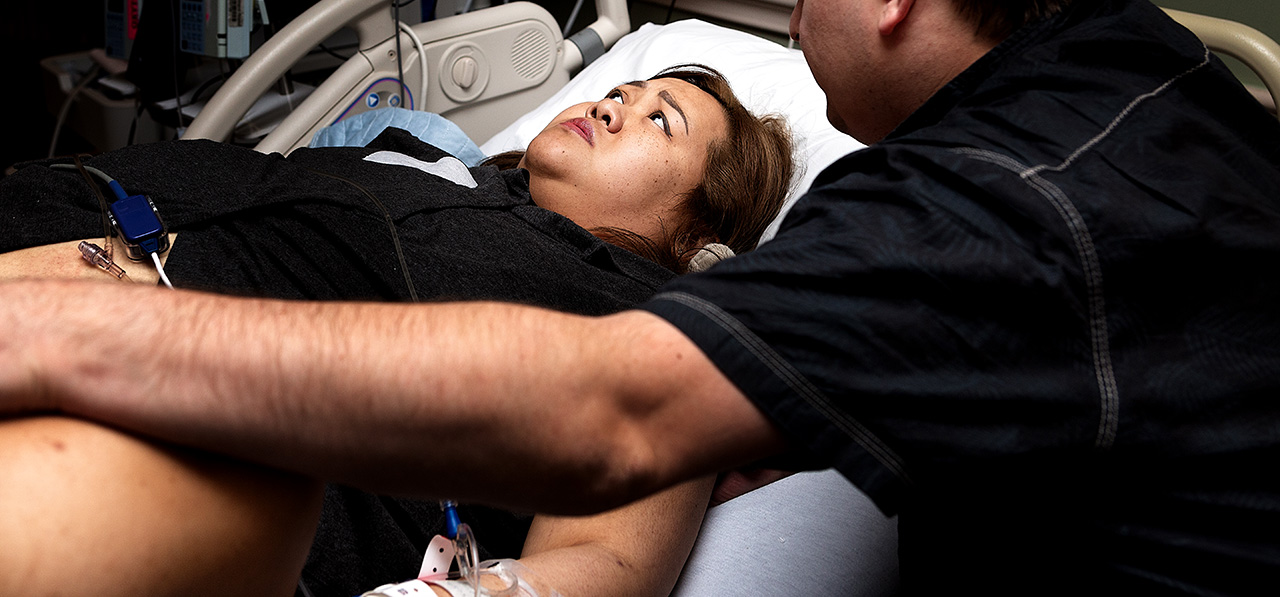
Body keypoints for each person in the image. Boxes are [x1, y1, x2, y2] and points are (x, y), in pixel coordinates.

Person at [3, 0, 1279, 594]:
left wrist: (83, 334)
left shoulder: (983, 207)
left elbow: (616, 418)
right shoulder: (1152, 69)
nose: (790, 26)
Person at [0, 66, 795, 597]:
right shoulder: (425, 161)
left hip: (164, 434)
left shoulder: (649, 323)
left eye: (660, 119)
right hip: (45, 226)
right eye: (620, 91)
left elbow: (609, 561)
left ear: (699, 239)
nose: (613, 105)